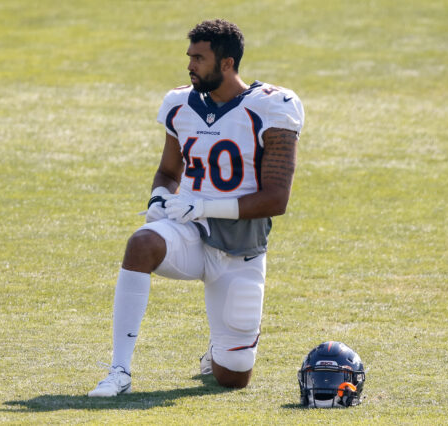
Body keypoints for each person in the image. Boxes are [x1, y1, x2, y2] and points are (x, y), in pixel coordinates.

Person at [88, 18, 304, 397]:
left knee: (232, 379)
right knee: (141, 243)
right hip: (190, 232)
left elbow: (276, 199)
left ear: (227, 64)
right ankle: (119, 370)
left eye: (199, 58)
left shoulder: (273, 107)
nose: (190, 65)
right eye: (189, 56)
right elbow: (168, 172)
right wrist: (158, 197)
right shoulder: (179, 103)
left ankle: (219, 352)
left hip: (239, 250)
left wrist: (203, 204)